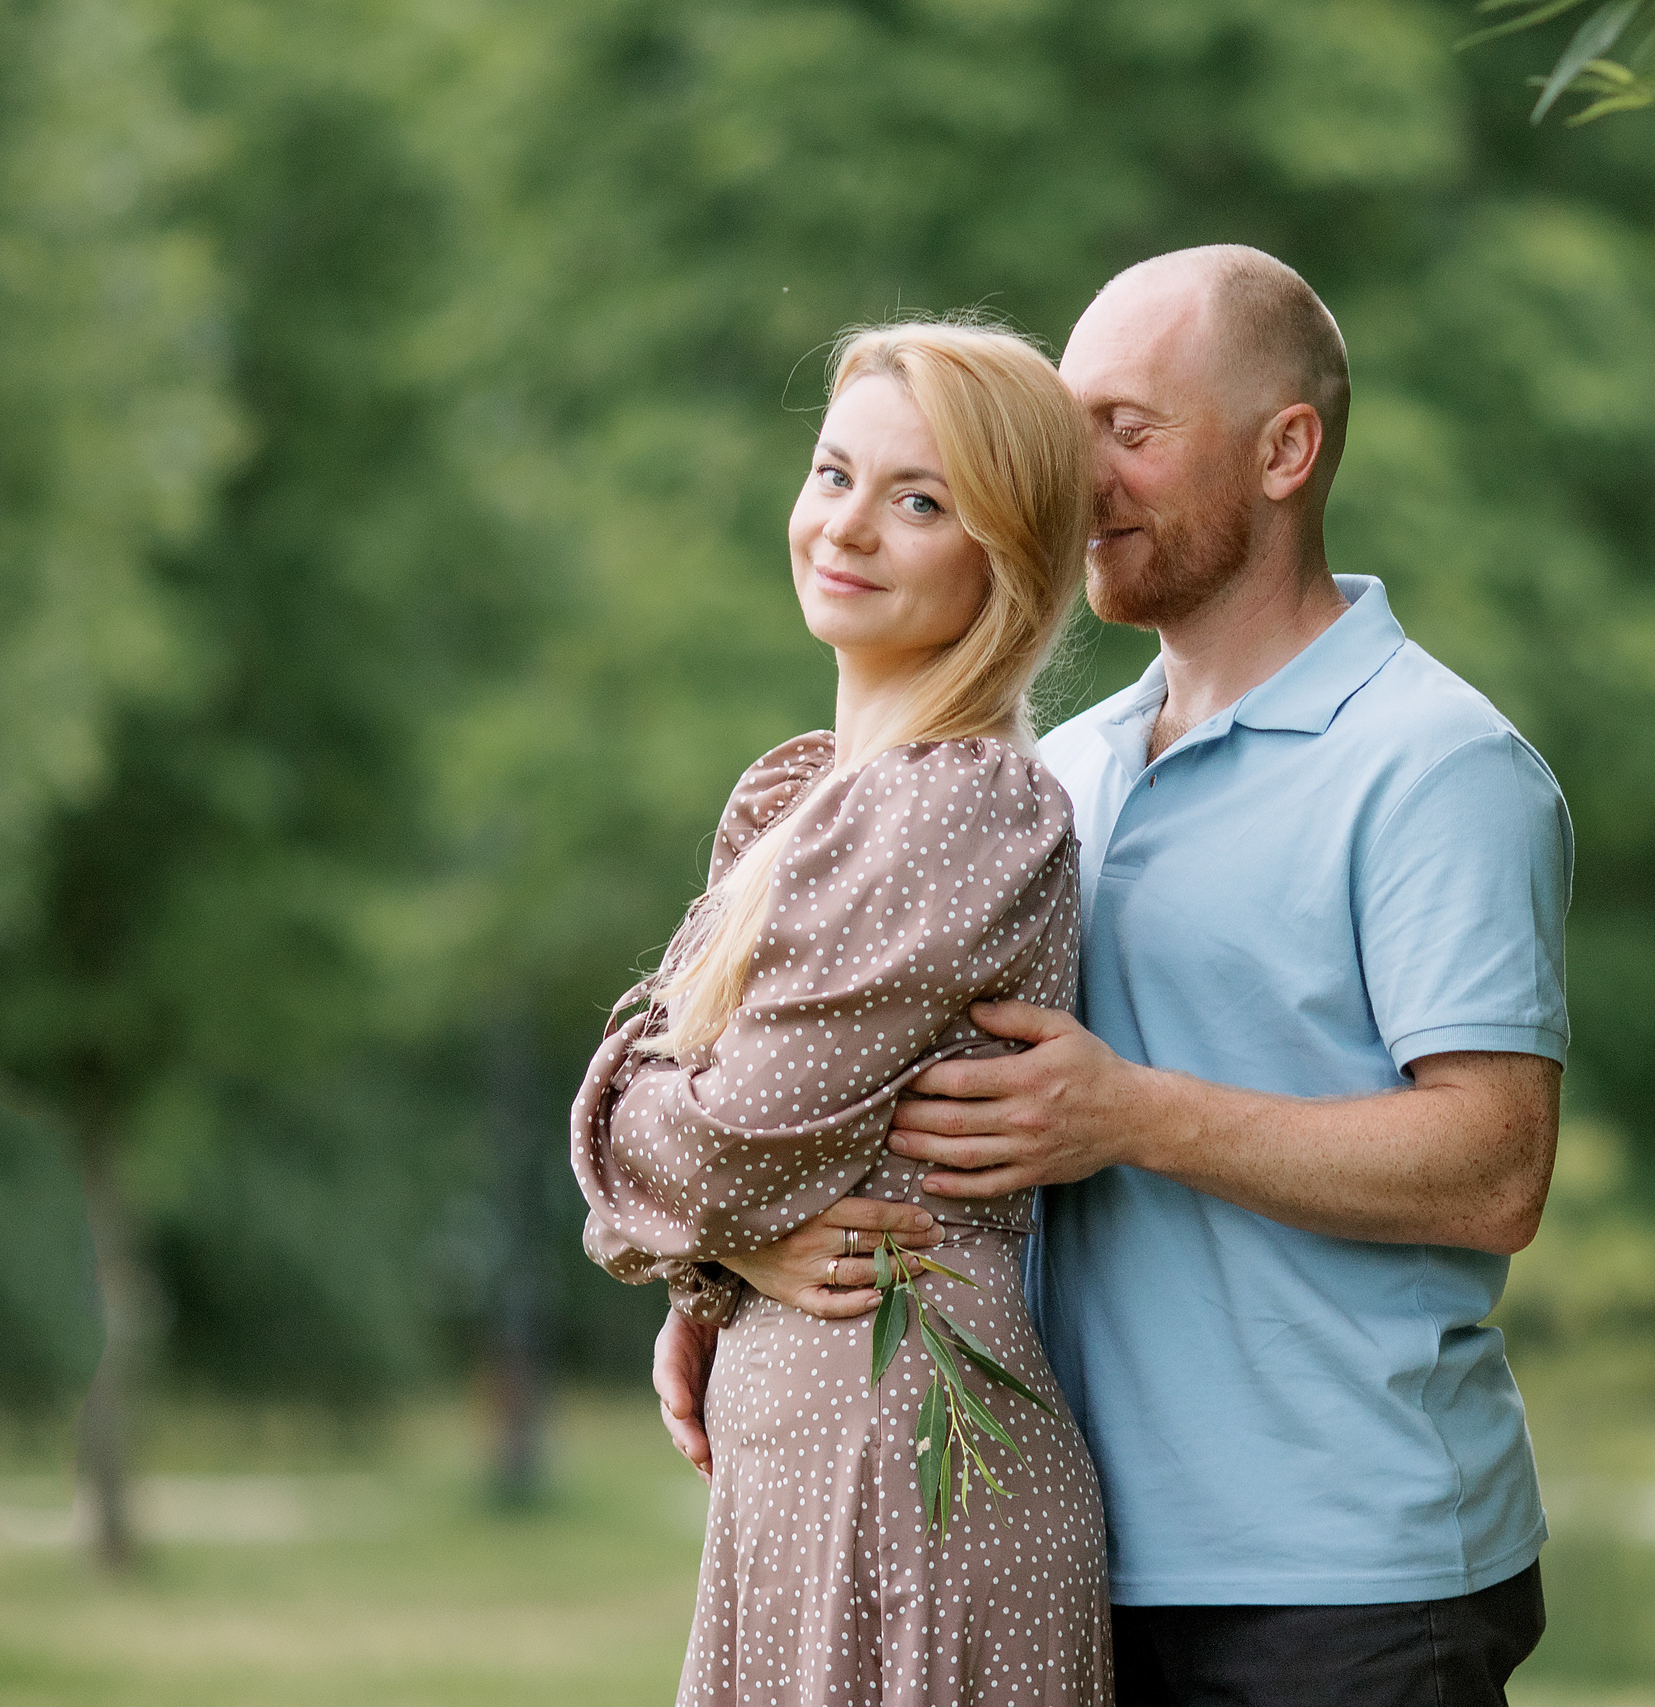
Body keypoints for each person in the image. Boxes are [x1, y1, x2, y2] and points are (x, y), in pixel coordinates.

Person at [660, 245, 1570, 1705]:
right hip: (1059, 1537)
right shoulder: (1059, 773)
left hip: (1341, 1575)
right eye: (1067, 429)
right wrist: (730, 1270)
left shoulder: (1435, 763)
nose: (1081, 478)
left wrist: (1135, 1115)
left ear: (1285, 451)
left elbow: (1495, 1167)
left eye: (1129, 432)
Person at [572, 319, 1111, 1707]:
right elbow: (709, 1153)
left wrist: (684, 1194)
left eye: (918, 501)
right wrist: (724, 1262)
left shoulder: (961, 807)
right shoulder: (805, 799)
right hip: (810, 1469)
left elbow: (721, 1137)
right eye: (833, 474)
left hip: (910, 1477)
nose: (848, 526)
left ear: (1006, 558)